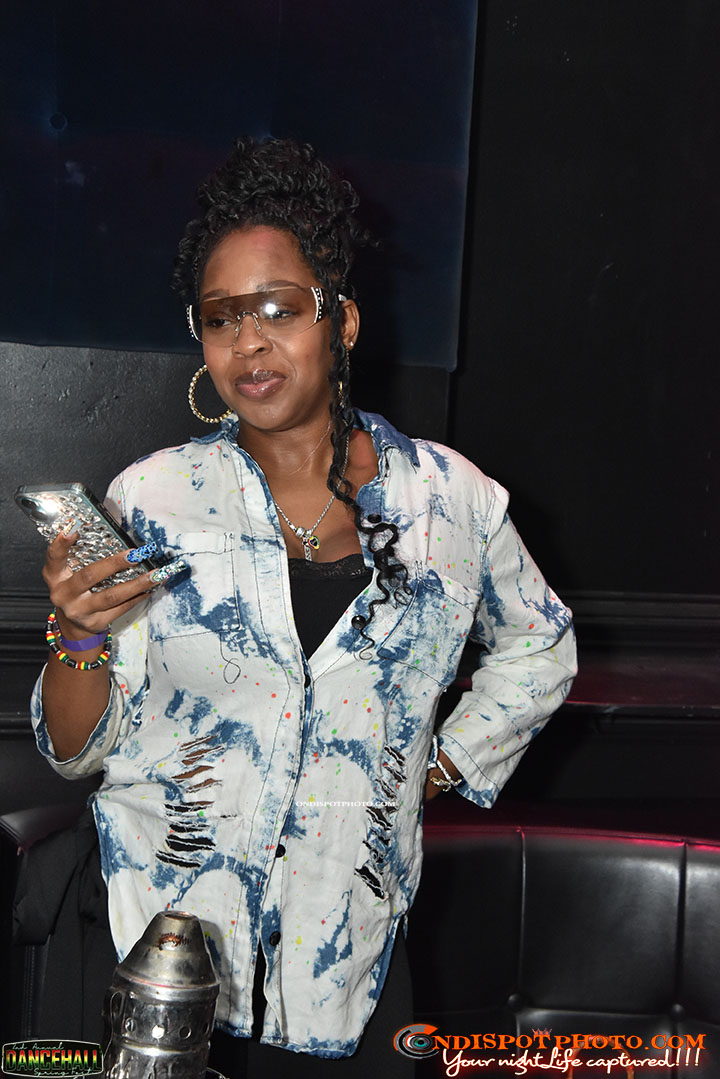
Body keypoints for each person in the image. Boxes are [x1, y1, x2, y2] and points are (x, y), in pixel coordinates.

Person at [30, 137, 577, 1076]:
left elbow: (542, 644)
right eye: (221, 316)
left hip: (344, 958)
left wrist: (438, 762)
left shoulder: (450, 502)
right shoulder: (154, 500)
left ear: (343, 321)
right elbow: (78, 750)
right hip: (158, 950)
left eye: (280, 308)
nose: (250, 342)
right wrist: (78, 633)